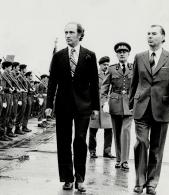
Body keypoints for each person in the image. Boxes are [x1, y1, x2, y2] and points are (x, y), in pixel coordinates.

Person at [46, 22, 99, 192]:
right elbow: (52, 82)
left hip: (84, 106)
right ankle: (67, 178)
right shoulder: (59, 56)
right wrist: (48, 105)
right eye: (65, 32)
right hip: (62, 105)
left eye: (71, 32)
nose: (67, 35)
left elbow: (94, 84)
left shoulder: (89, 56)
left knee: (80, 141)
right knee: (63, 141)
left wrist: (96, 107)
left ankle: (80, 179)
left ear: (79, 35)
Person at [129, 25, 169, 195]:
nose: (150, 36)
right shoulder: (139, 57)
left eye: (154, 34)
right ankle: (139, 181)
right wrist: (131, 103)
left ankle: (152, 183)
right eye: (148, 34)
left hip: (162, 109)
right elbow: (134, 82)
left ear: (163, 37)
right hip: (141, 107)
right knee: (141, 143)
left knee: (157, 148)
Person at [101, 43, 133, 171]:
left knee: (125, 131)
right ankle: (119, 159)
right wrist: (104, 103)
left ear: (128, 54)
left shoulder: (134, 68)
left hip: (129, 105)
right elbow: (104, 88)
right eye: (120, 52)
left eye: (125, 51)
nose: (122, 53)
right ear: (117, 54)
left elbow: (138, 85)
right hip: (115, 104)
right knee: (117, 132)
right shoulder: (112, 69)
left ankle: (125, 160)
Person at [88, 56, 114, 159]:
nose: (106, 66)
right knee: (93, 129)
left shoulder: (110, 74)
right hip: (95, 105)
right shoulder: (94, 74)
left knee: (109, 129)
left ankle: (107, 152)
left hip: (106, 105)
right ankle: (92, 151)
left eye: (107, 65)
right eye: (104, 65)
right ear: (100, 65)